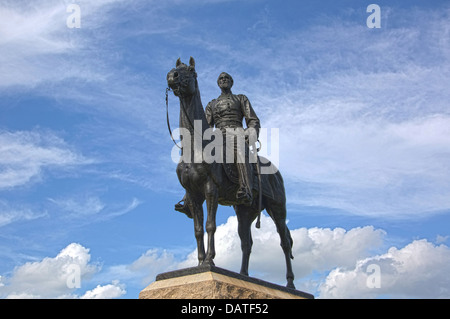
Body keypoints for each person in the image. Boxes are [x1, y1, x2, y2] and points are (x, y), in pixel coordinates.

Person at [175, 72, 260, 217]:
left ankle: (246, 188)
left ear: (231, 82)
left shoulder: (241, 98)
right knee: (195, 160)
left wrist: (251, 131)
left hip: (237, 132)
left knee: (240, 148)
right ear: (218, 83)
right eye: (221, 79)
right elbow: (207, 125)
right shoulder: (212, 104)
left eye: (226, 78)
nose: (224, 80)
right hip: (218, 136)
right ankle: (188, 199)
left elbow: (252, 119)